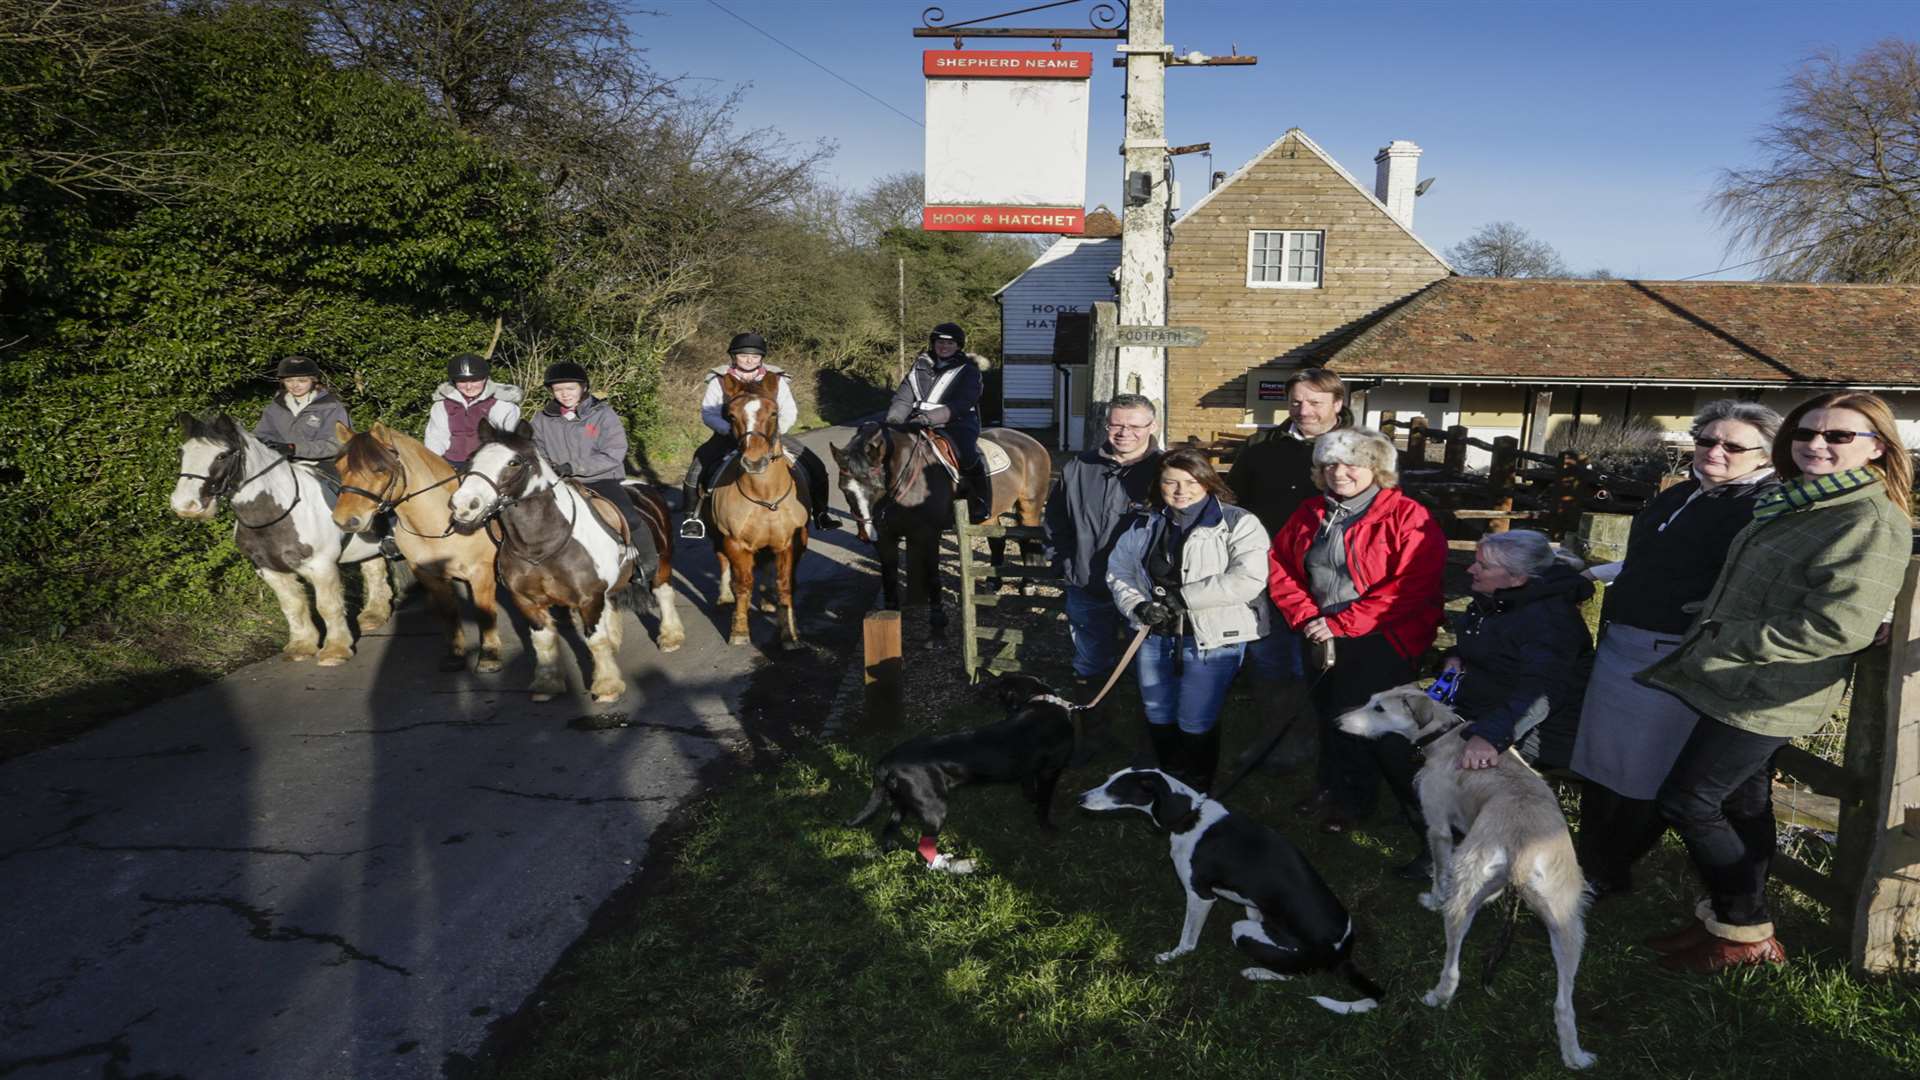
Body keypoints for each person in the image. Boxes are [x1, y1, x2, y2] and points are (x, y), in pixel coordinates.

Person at [1638, 390, 1911, 973]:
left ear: (1878, 448)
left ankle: (1746, 933)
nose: (1816, 444)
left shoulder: (1868, 518)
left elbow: (1838, 625)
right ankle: (1731, 922)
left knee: (1689, 800)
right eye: (1805, 432)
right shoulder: (1799, 502)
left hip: (1773, 689)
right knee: (1743, 803)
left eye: (1838, 436)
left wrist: (1725, 642)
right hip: (1736, 681)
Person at [1571, 401, 1782, 899]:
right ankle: (1589, 864)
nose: (1716, 451)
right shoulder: (1681, 493)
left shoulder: (1766, 506)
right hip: (1622, 642)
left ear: (1765, 454)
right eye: (1707, 440)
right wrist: (1591, 574)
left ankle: (1608, 872)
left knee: (1646, 770)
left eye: (1733, 445)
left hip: (1675, 653)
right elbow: (1649, 561)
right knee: (1602, 763)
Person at [1267, 427, 1446, 867]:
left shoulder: (1408, 516)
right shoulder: (1311, 511)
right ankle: (1331, 786)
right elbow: (1279, 567)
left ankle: (1362, 801)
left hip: (1381, 638)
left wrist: (1339, 626)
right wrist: (1309, 618)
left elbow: (1410, 588)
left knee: (1363, 723)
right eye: (1329, 464)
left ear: (1376, 469)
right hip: (1319, 631)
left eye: (1352, 464)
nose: (1339, 473)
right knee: (1327, 712)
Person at [1106, 448, 1271, 793]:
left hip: (1210, 636)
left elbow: (1248, 578)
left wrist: (1182, 599)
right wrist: (1137, 606)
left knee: (1195, 714)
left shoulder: (1239, 522)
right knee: (1156, 708)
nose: (1181, 490)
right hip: (1155, 633)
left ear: (1208, 481)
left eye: (1191, 481)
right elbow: (1119, 570)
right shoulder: (1145, 522)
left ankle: (1198, 786)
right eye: (1171, 482)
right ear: (1159, 484)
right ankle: (1168, 776)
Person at [1227, 369, 1356, 761]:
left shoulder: (1363, 451)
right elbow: (1236, 508)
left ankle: (1319, 741)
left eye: (1315, 402)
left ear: (1337, 404)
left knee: (1321, 662)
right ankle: (1275, 736)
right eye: (1297, 402)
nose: (1304, 411)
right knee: (1269, 659)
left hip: (1337, 581)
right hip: (1271, 575)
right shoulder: (1262, 449)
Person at [1044, 393, 1164, 712]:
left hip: (1143, 591)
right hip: (1088, 583)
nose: (1125, 432)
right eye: (1116, 424)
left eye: (1135, 425)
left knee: (1150, 667)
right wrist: (1062, 560)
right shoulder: (1080, 467)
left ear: (1153, 425)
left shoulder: (1166, 471)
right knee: (1090, 662)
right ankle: (1092, 729)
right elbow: (1056, 517)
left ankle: (1146, 736)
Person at [1443, 530, 1594, 776]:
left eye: (1483, 565)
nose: (1471, 569)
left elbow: (1541, 691)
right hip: (1487, 709)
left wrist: (1490, 736)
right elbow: (1495, 651)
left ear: (1517, 578)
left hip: (1537, 731)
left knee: (1452, 768)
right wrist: (1454, 657)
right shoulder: (1497, 601)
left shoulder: (1549, 621)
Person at [679, 332, 837, 540]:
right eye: (743, 355)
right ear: (734, 357)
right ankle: (692, 518)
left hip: (769, 435)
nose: (749, 360)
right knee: (696, 469)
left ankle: (820, 513)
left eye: (754, 356)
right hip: (729, 434)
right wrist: (727, 429)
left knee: (815, 465)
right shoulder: (720, 379)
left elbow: (789, 410)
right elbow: (708, 412)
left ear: (761, 358)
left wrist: (775, 432)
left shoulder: (775, 379)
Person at [526, 362, 657, 571]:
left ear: (583, 387)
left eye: (570, 388)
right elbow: (536, 448)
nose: (565, 394)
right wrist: (551, 467)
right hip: (559, 480)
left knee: (629, 517)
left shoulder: (603, 414)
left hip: (601, 478)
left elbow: (614, 453)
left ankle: (648, 563)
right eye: (558, 390)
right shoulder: (542, 419)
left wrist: (573, 467)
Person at [886, 322, 991, 525]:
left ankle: (981, 501)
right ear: (933, 343)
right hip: (917, 422)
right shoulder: (919, 366)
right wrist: (894, 421)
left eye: (950, 343)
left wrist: (927, 419)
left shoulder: (968, 371)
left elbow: (961, 404)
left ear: (958, 346)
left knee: (967, 454)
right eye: (940, 342)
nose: (944, 346)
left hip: (956, 423)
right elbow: (903, 398)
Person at [254, 354, 353, 482]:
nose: (295, 385)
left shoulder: (331, 407)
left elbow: (337, 444)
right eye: (289, 381)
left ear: (313, 380)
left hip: (322, 466)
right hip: (281, 464)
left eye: (302, 380)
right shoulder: (274, 407)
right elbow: (261, 435)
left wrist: (294, 449)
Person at [424, 352, 523, 470]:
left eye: (474, 380)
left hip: (487, 464)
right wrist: (435, 464)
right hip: (449, 464)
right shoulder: (441, 405)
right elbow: (436, 438)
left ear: (485, 379)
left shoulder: (502, 405)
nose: (468, 387)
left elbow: (504, 443)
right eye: (462, 381)